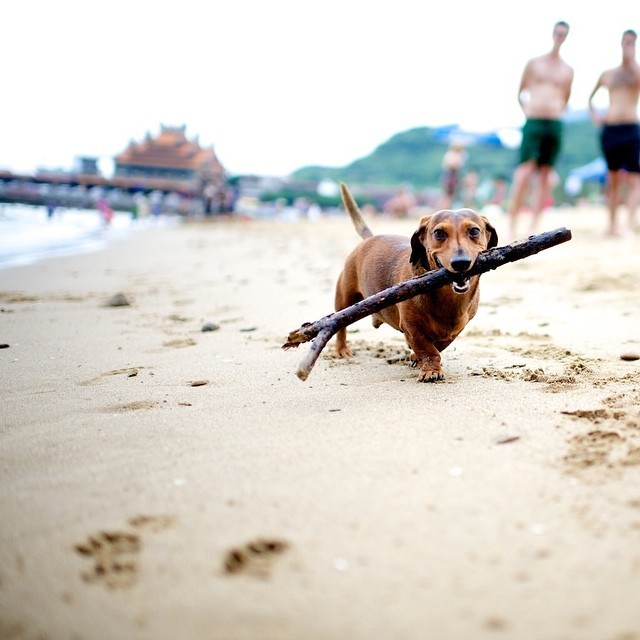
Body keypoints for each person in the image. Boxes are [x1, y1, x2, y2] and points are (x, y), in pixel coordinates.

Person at [507, 21, 573, 239]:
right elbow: (520, 92)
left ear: (566, 36)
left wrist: (556, 112)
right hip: (534, 120)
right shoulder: (535, 64)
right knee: (525, 171)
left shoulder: (567, 70)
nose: (560, 36)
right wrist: (528, 111)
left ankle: (533, 224)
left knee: (545, 175)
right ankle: (512, 222)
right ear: (553, 34)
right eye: (558, 32)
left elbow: (565, 97)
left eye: (564, 34)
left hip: (553, 123)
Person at [588, 29, 640, 237]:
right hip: (610, 129)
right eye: (625, 42)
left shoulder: (637, 72)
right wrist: (596, 116)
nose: (627, 46)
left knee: (636, 179)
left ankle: (629, 223)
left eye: (632, 43)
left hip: (631, 128)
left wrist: (632, 58)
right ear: (620, 43)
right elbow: (590, 98)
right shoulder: (608, 74)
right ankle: (612, 225)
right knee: (613, 177)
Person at [439, 142, 466, 209]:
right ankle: (444, 209)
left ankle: (445, 209)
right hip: (451, 176)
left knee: (449, 196)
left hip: (450, 176)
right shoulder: (452, 155)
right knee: (448, 196)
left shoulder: (451, 154)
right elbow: (452, 165)